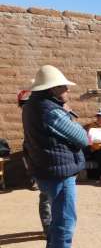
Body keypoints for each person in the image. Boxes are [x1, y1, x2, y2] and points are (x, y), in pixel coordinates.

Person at [22, 65, 89, 248]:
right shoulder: (51, 111)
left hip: (44, 168)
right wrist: (68, 114)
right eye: (64, 87)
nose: (67, 91)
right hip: (57, 171)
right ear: (52, 89)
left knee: (53, 212)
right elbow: (82, 138)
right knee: (65, 218)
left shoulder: (32, 105)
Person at [18, 89, 52, 234]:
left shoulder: (35, 110)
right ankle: (48, 229)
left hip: (46, 156)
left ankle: (50, 229)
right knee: (46, 196)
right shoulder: (32, 110)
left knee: (50, 196)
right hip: (39, 155)